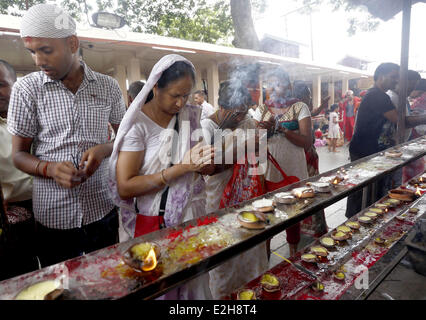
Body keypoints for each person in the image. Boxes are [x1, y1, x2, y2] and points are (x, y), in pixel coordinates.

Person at [7, 4, 126, 268]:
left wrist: (104, 150)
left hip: (102, 207)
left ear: (72, 43)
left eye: (46, 50)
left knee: (107, 279)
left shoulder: (108, 87)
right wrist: (48, 169)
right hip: (53, 216)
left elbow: (125, 138)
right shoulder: (27, 90)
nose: (38, 61)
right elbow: (18, 155)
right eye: (32, 52)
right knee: (61, 287)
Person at [110, 54, 214, 299]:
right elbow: (125, 186)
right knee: (161, 289)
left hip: (192, 216)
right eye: (175, 95)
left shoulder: (190, 116)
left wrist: (204, 163)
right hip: (155, 224)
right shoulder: (138, 126)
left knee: (194, 288)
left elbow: (197, 161)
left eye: (186, 95)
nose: (181, 103)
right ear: (155, 87)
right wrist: (181, 168)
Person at [201, 79, 268, 299]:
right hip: (218, 200)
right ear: (222, 108)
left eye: (244, 111)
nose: (241, 117)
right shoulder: (207, 126)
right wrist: (239, 144)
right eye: (236, 113)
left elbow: (258, 157)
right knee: (224, 258)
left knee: (251, 254)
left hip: (247, 197)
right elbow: (208, 168)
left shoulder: (246, 123)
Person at [346, 63, 426, 218]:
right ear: (381, 76)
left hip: (372, 149)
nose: (396, 81)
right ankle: (356, 220)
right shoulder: (378, 95)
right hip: (365, 150)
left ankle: (366, 217)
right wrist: (423, 118)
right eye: (393, 77)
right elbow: (401, 121)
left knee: (372, 192)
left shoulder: (380, 94)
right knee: (362, 192)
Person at [253, 67, 312, 256]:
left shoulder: (299, 107)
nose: (275, 88)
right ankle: (265, 255)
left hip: (292, 167)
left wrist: (282, 129)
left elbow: (307, 142)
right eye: (272, 84)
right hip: (268, 168)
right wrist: (266, 131)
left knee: (292, 212)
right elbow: (254, 139)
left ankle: (294, 252)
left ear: (288, 85)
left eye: (280, 83)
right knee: (266, 212)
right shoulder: (262, 109)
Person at [0, 60, 38, 280]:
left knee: (57, 268)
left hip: (49, 206)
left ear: (15, 84)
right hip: (12, 215)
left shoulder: (33, 117)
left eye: (1, 84)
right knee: (22, 275)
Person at [293, 82, 329, 238]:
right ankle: (314, 227)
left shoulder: (296, 108)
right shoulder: (300, 107)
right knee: (311, 190)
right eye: (308, 95)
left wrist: (322, 106)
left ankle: (305, 227)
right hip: (304, 157)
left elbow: (313, 113)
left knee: (308, 189)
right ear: (301, 97)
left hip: (306, 156)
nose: (310, 98)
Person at [403, 78, 426, 181]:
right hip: (413, 138)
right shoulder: (411, 100)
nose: (418, 96)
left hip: (414, 138)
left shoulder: (420, 99)